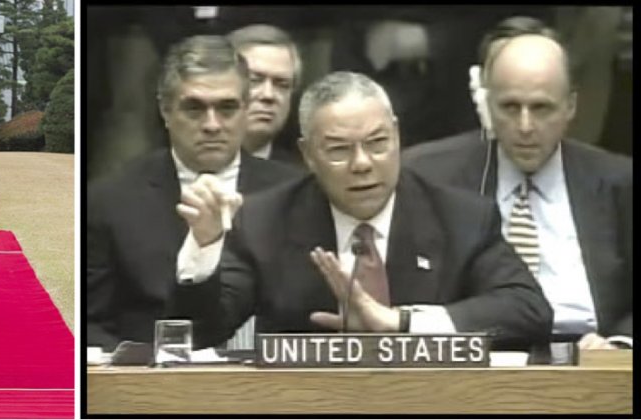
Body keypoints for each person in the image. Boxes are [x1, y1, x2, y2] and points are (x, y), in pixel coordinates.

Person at [171, 71, 553, 351]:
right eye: (338, 150)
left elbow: (528, 310)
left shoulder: (461, 216)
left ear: (397, 135)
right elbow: (203, 333)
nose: (362, 164)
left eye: (378, 143)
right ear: (308, 155)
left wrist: (403, 324)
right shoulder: (265, 221)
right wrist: (205, 247)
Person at [404, 32, 633, 350]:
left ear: (570, 106)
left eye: (541, 108)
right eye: (510, 107)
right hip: (481, 352)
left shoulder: (619, 181)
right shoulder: (433, 176)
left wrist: (620, 345)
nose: (525, 126)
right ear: (488, 105)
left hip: (590, 351)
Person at [87, 35, 300, 350]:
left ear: (245, 109)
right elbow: (91, 324)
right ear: (165, 110)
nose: (212, 125)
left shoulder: (295, 193)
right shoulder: (109, 200)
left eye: (227, 108)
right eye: (195, 108)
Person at [226, 24, 304, 166]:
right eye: (254, 80)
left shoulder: (304, 180)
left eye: (282, 84)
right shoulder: (177, 166)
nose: (268, 95)